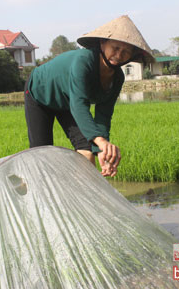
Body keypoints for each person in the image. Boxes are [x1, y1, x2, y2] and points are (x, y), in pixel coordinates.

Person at [24, 15, 155, 177]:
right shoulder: (83, 61)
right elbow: (79, 104)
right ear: (103, 43)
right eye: (115, 48)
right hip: (40, 93)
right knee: (41, 154)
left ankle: (86, 198)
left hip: (67, 101)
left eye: (126, 52)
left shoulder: (118, 77)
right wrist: (100, 141)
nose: (119, 55)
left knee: (86, 150)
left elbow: (104, 115)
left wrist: (102, 150)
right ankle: (35, 192)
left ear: (131, 55)